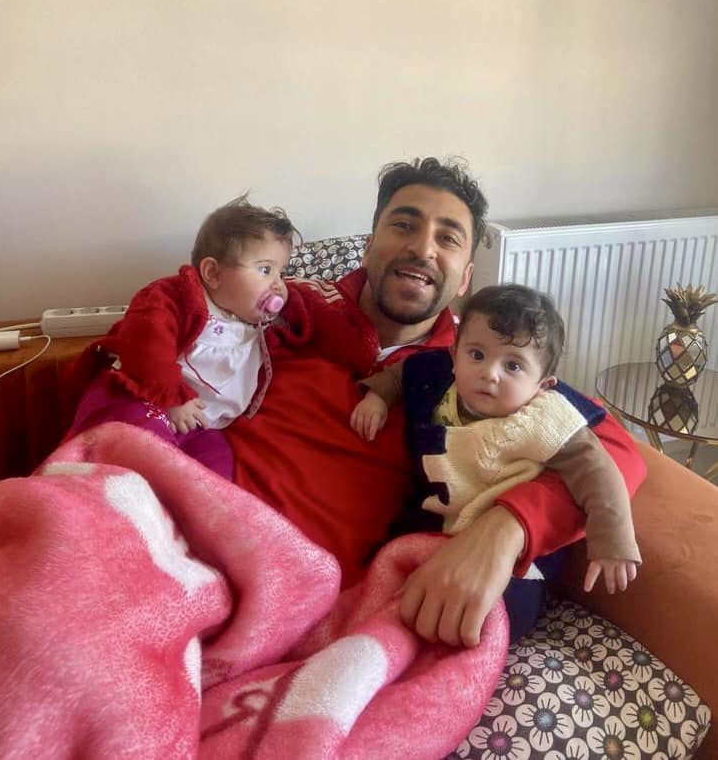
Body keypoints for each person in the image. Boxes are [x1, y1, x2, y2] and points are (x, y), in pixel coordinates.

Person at [225, 157, 646, 646]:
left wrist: (507, 525)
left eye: (447, 238)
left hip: (304, 594)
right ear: (368, 246)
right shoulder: (286, 304)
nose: (423, 248)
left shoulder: (473, 364)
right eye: (404, 225)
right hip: (203, 520)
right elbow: (175, 334)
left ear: (464, 278)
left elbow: (618, 451)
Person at [350, 282, 641, 601]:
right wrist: (378, 397)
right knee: (384, 576)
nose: (489, 373)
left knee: (503, 605)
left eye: (513, 365)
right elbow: (402, 372)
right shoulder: (435, 375)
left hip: (511, 559)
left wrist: (613, 539)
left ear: (543, 386)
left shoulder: (546, 416)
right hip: (431, 525)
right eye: (476, 355)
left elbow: (597, 471)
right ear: (454, 355)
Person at [67, 195, 297, 480]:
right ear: (213, 273)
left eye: (282, 272)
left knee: (217, 468)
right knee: (139, 448)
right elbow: (147, 343)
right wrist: (172, 398)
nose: (278, 284)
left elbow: (310, 319)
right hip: (145, 398)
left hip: (201, 426)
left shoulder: (256, 321)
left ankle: (197, 502)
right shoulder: (176, 298)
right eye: (265, 270)